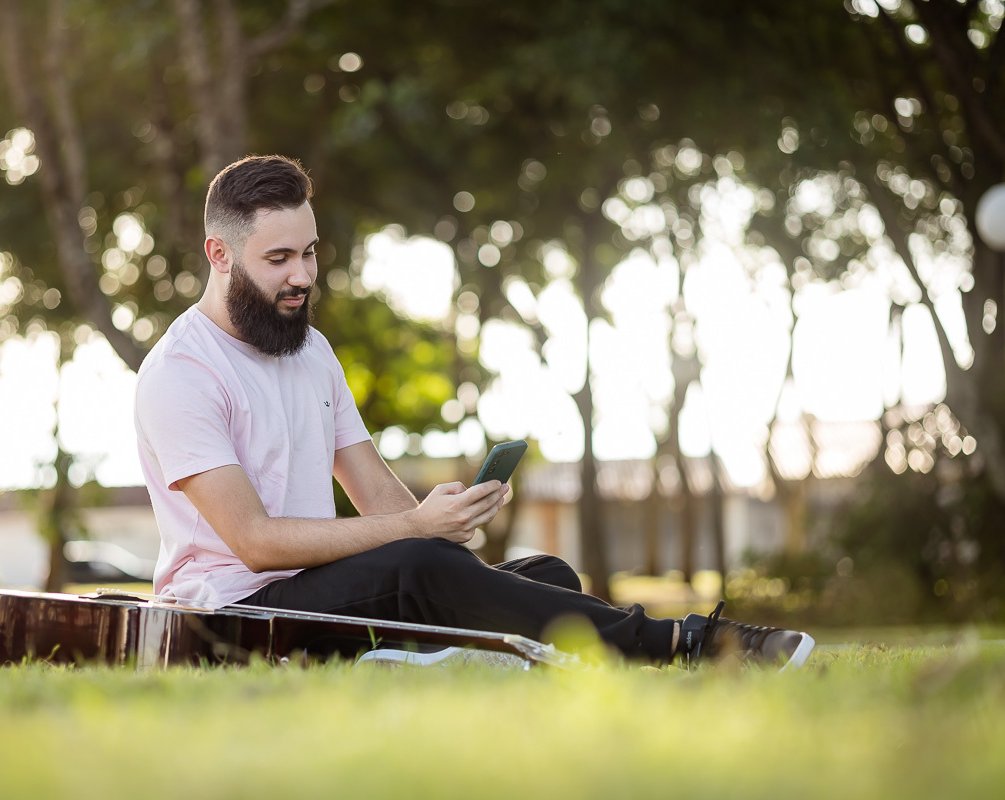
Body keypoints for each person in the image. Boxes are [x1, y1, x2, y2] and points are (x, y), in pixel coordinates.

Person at [133, 154, 814, 669]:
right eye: (278, 258)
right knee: (423, 571)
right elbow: (252, 541)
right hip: (232, 620)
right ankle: (684, 641)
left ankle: (419, 656)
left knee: (543, 575)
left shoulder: (310, 350)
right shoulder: (181, 372)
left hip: (322, 593)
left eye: (309, 253)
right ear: (219, 255)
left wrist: (439, 524)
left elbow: (374, 495)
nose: (304, 276)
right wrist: (414, 537)